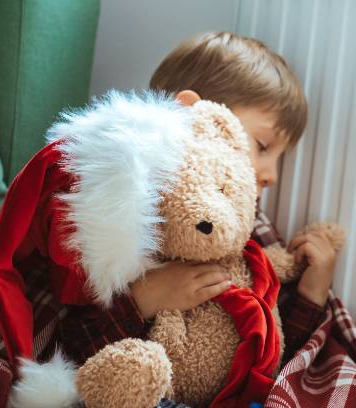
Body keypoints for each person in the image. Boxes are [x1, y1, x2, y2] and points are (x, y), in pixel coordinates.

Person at [58, 31, 340, 367]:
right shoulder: (122, 209)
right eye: (263, 146)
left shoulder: (244, 224)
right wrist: (143, 300)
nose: (272, 175)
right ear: (194, 117)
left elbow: (277, 352)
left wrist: (313, 292)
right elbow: (68, 345)